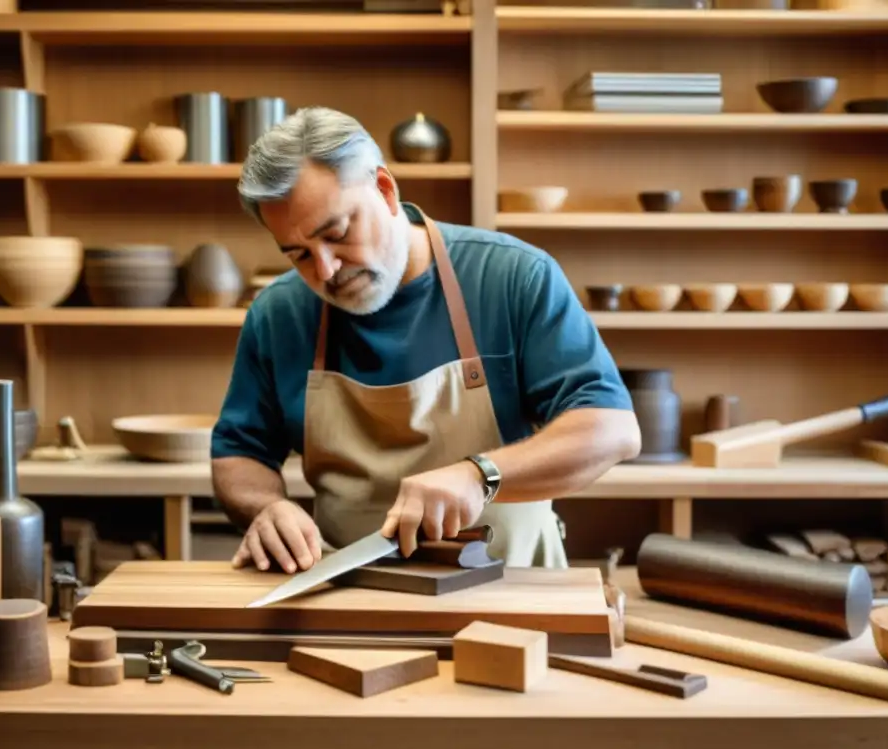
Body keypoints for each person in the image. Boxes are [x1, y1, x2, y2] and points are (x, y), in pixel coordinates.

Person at [211, 106, 640, 574]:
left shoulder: (512, 277)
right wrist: (266, 508)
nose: (327, 270)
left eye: (337, 233)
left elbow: (611, 428)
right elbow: (240, 454)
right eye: (299, 255)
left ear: (385, 189)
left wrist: (480, 476)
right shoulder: (278, 314)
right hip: (350, 597)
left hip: (512, 588)